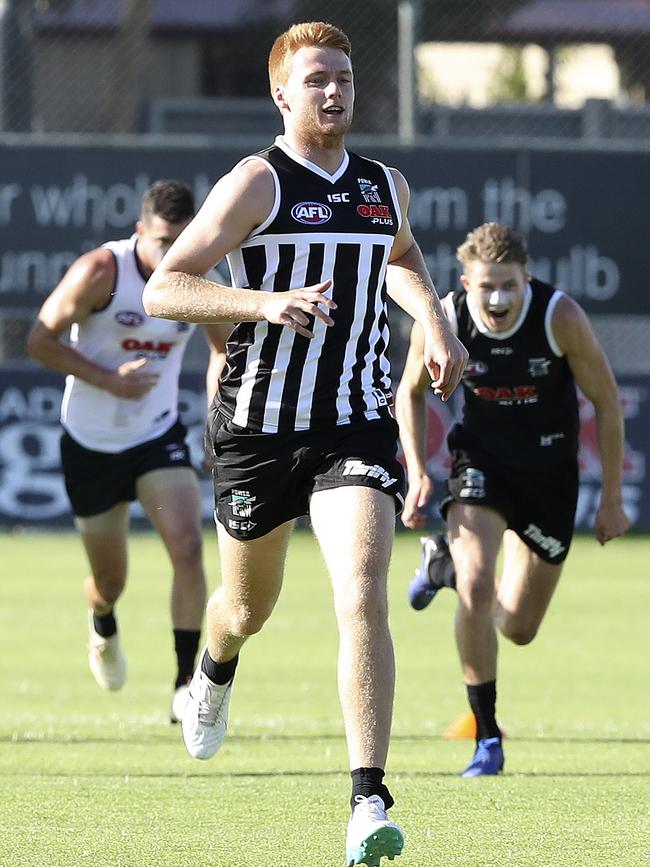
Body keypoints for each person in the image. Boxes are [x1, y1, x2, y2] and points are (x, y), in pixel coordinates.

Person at [143, 21, 467, 867]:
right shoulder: (259, 180)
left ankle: (368, 799)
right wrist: (262, 303)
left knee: (362, 589)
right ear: (282, 93)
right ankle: (210, 674)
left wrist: (432, 320)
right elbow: (166, 286)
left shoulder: (381, 184)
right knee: (245, 608)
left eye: (346, 78)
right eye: (317, 78)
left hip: (354, 424)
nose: (335, 91)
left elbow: (396, 255)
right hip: (256, 430)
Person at [396, 222, 630, 777]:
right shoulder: (445, 318)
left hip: (549, 477)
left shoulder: (560, 318)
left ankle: (442, 568)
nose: (498, 300)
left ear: (527, 279)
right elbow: (408, 391)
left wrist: (612, 497)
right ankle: (487, 736)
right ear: (464, 282)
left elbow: (608, 404)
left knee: (520, 628)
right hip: (479, 465)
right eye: (486, 287)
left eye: (509, 286)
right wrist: (417, 473)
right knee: (479, 584)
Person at [27, 180, 231, 723]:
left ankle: (185, 683)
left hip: (156, 436)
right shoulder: (101, 271)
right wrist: (107, 379)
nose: (173, 253)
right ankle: (102, 620)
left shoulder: (198, 280)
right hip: (91, 442)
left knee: (188, 548)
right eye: (164, 241)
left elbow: (222, 353)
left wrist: (217, 421)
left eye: (185, 240)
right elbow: (39, 341)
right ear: (141, 232)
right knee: (109, 580)